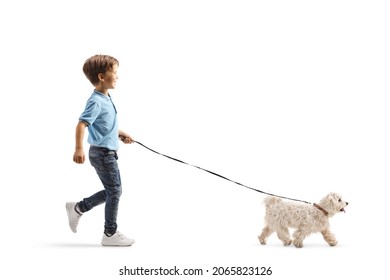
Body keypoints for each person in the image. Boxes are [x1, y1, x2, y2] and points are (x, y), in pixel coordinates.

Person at [66, 54, 135, 246]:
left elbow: (104, 125)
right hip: (102, 154)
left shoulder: (105, 97)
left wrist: (120, 133)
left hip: (108, 152)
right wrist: (78, 148)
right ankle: (110, 233)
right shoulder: (96, 101)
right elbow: (82, 124)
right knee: (115, 191)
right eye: (114, 72)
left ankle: (78, 208)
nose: (117, 76)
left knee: (113, 191)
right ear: (102, 77)